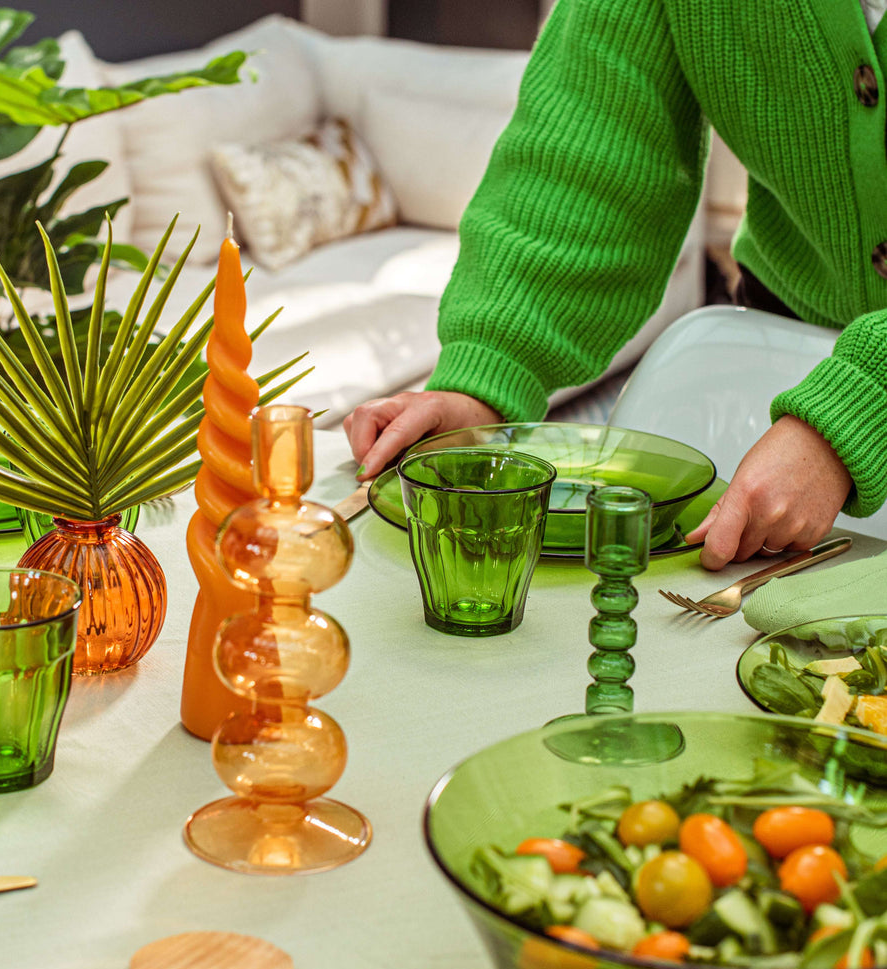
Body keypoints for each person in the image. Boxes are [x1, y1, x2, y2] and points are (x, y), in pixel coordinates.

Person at [343, 0, 886, 570]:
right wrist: (486, 376)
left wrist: (859, 410)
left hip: (831, 415)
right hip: (783, 356)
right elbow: (587, 153)